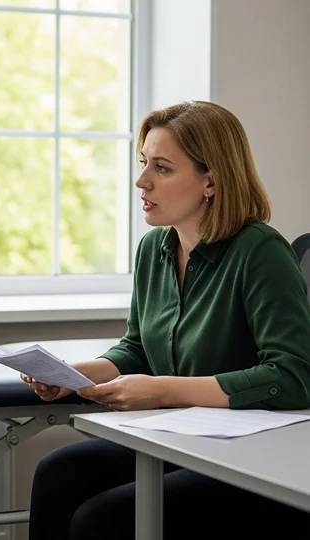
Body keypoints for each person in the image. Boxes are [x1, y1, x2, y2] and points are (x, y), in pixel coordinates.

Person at [22, 101, 310, 540]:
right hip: (177, 436)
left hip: (246, 452)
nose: (142, 180)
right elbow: (138, 347)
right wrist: (76, 375)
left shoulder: (260, 251)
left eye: (162, 168)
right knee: (57, 473)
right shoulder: (153, 249)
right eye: (143, 163)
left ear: (210, 180)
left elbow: (292, 376)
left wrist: (160, 390)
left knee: (101, 520)